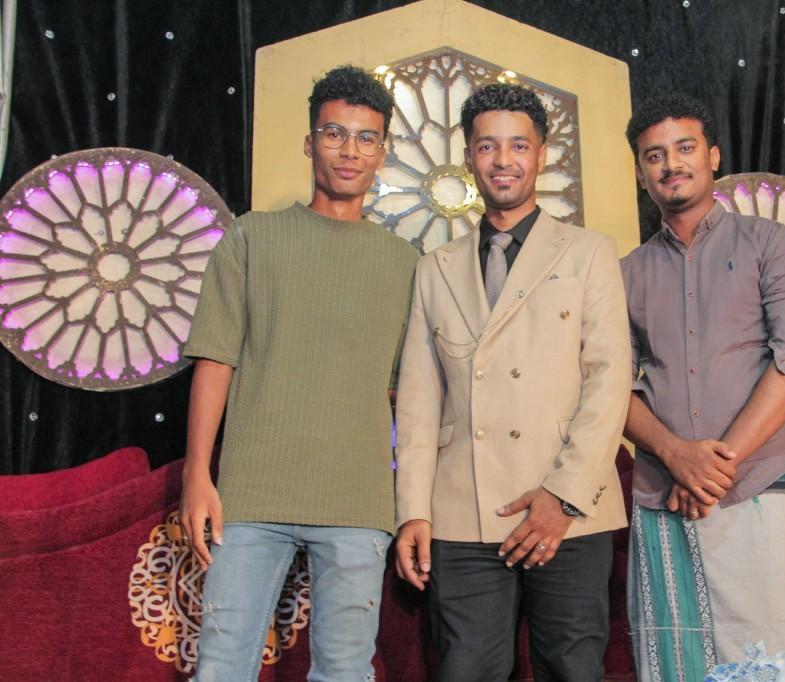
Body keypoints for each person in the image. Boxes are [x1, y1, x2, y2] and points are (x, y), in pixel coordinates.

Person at [180, 65, 418, 681]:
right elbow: (215, 358)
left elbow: (410, 392)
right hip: (250, 492)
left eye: (366, 138)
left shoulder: (405, 263)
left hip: (357, 499)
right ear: (310, 142)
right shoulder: (251, 237)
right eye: (334, 134)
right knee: (221, 666)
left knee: (345, 670)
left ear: (382, 151)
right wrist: (197, 472)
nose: (349, 151)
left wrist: (414, 500)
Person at [393, 83, 632, 682]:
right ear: (469, 157)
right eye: (487, 146)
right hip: (462, 511)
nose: (503, 160)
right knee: (465, 669)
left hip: (571, 507)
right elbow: (420, 401)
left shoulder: (588, 252)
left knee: (572, 668)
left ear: (541, 154)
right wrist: (413, 511)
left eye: (518, 145)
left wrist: (563, 496)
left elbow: (610, 381)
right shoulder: (435, 267)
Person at [620, 93, 785, 679]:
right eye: (654, 155)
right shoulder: (626, 274)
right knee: (680, 666)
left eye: (684, 148)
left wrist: (715, 467)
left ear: (712, 156)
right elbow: (612, 387)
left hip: (765, 486)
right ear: (640, 173)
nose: (671, 164)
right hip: (666, 498)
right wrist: (675, 455)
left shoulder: (771, 243)